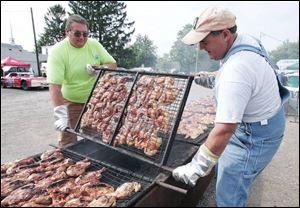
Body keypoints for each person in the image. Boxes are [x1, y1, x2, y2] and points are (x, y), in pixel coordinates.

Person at [172, 6, 290, 207]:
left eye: (205, 41)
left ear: (225, 34)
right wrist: (210, 80)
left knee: (229, 190)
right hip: (268, 121)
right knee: (225, 167)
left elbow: (225, 128)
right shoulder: (244, 41)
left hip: (255, 137)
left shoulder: (237, 69)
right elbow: (246, 81)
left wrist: (197, 167)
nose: (201, 47)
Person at [47, 14, 117, 147]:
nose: (82, 38)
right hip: (71, 102)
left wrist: (101, 68)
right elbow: (54, 86)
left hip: (95, 103)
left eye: (85, 34)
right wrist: (60, 114)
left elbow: (112, 64)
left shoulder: (94, 45)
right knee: (68, 140)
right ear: (67, 32)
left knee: (95, 139)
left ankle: (94, 161)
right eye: (77, 34)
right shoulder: (58, 51)